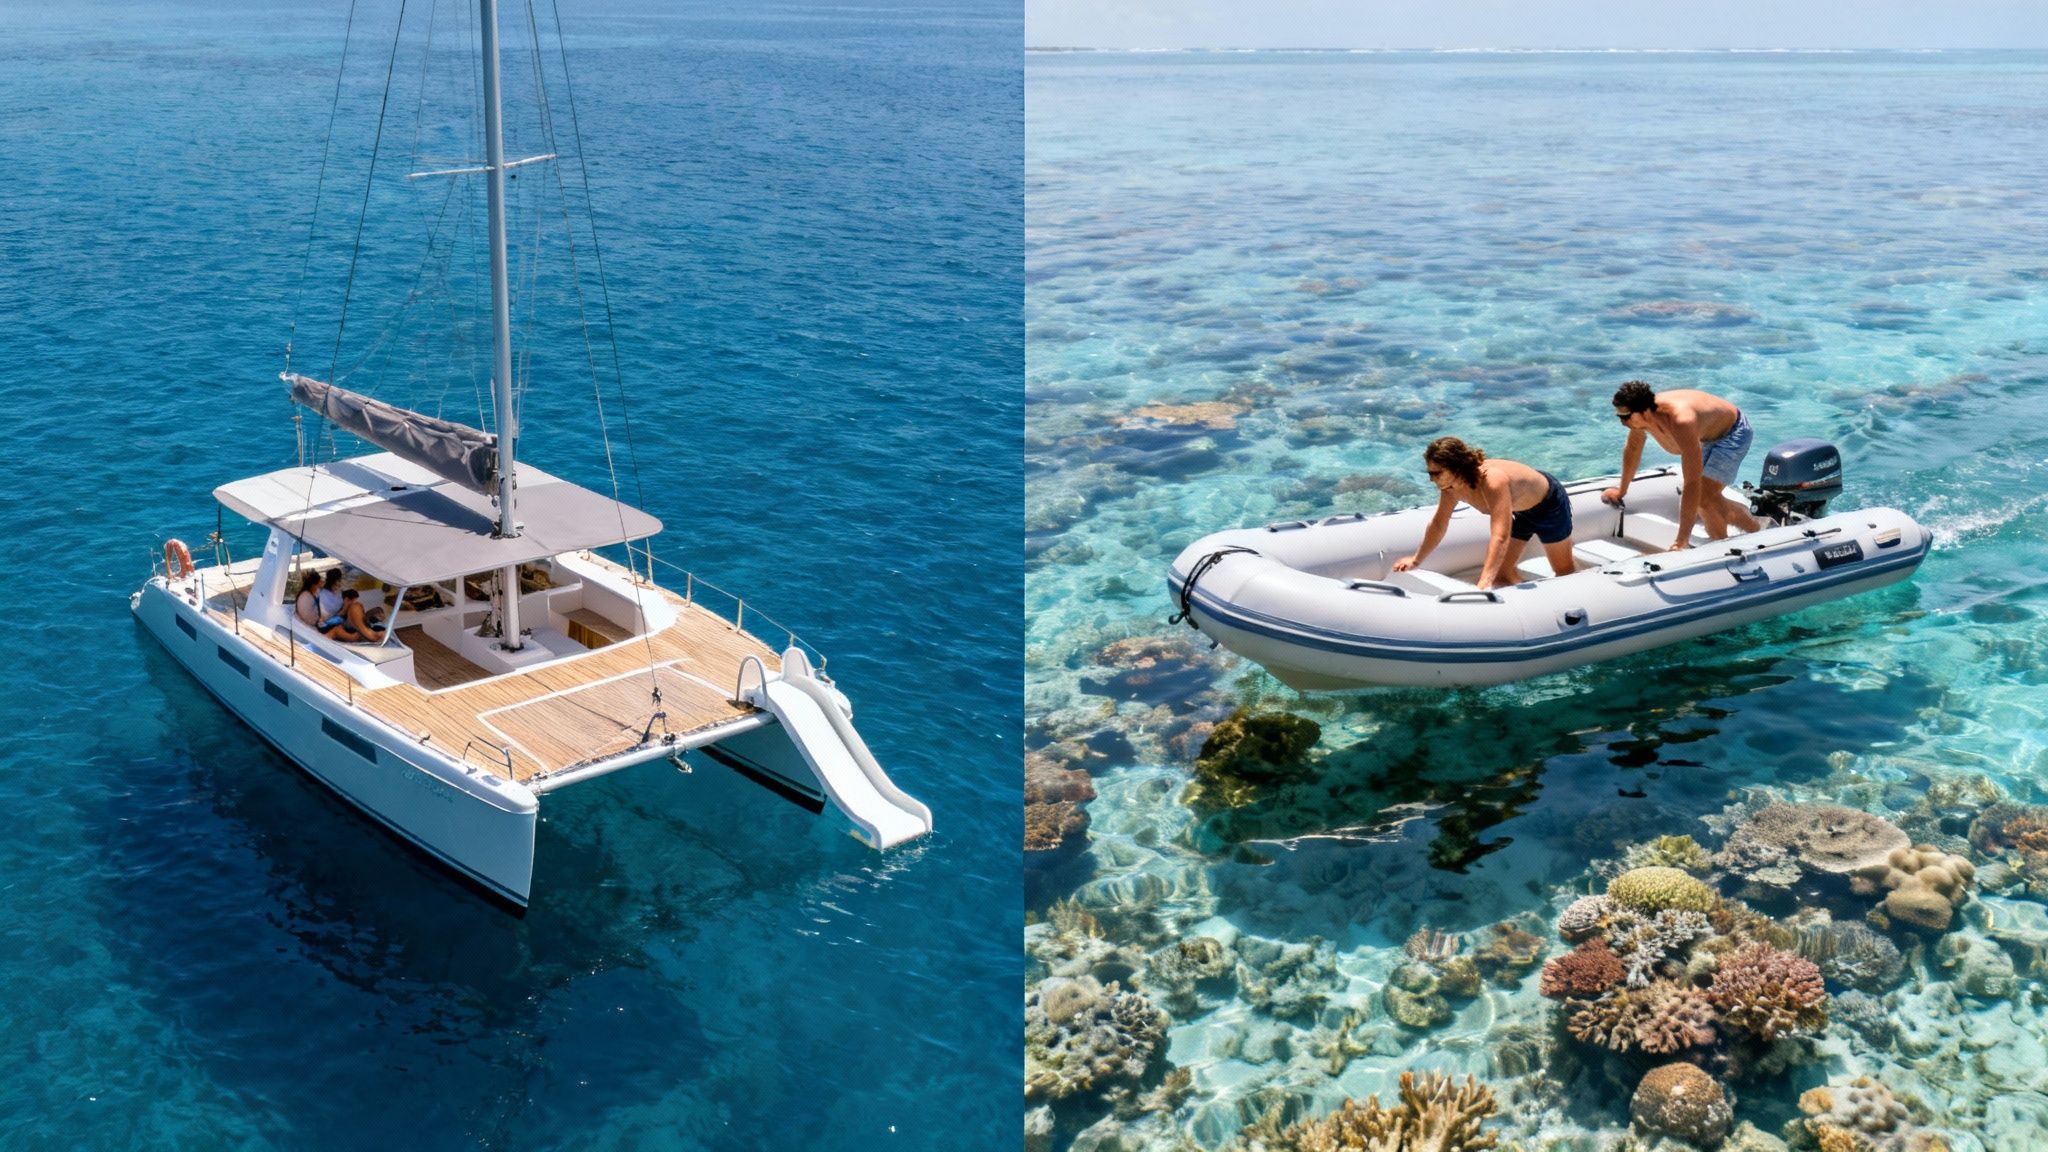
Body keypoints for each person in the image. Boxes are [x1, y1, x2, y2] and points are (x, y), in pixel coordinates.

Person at [1392, 436, 1577, 591]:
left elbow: (1500, 536)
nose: (1431, 479)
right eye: (1430, 473)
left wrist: (1484, 582)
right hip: (1519, 512)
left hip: (1548, 507)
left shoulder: (1492, 480)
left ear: (1456, 468)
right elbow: (1439, 523)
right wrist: (1416, 561)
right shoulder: (1450, 487)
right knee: (1502, 576)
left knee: (1563, 571)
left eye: (1437, 473)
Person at [1602, 380, 1762, 549]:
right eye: (1619, 416)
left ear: (1644, 411)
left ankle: (1748, 532)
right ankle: (1736, 537)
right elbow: (1633, 449)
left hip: (1733, 433)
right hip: (1707, 434)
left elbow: (1692, 482)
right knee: (1707, 499)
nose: (1623, 422)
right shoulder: (1641, 418)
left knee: (1702, 497)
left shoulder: (1681, 421)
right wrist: (1622, 490)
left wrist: (1681, 540)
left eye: (1625, 417)